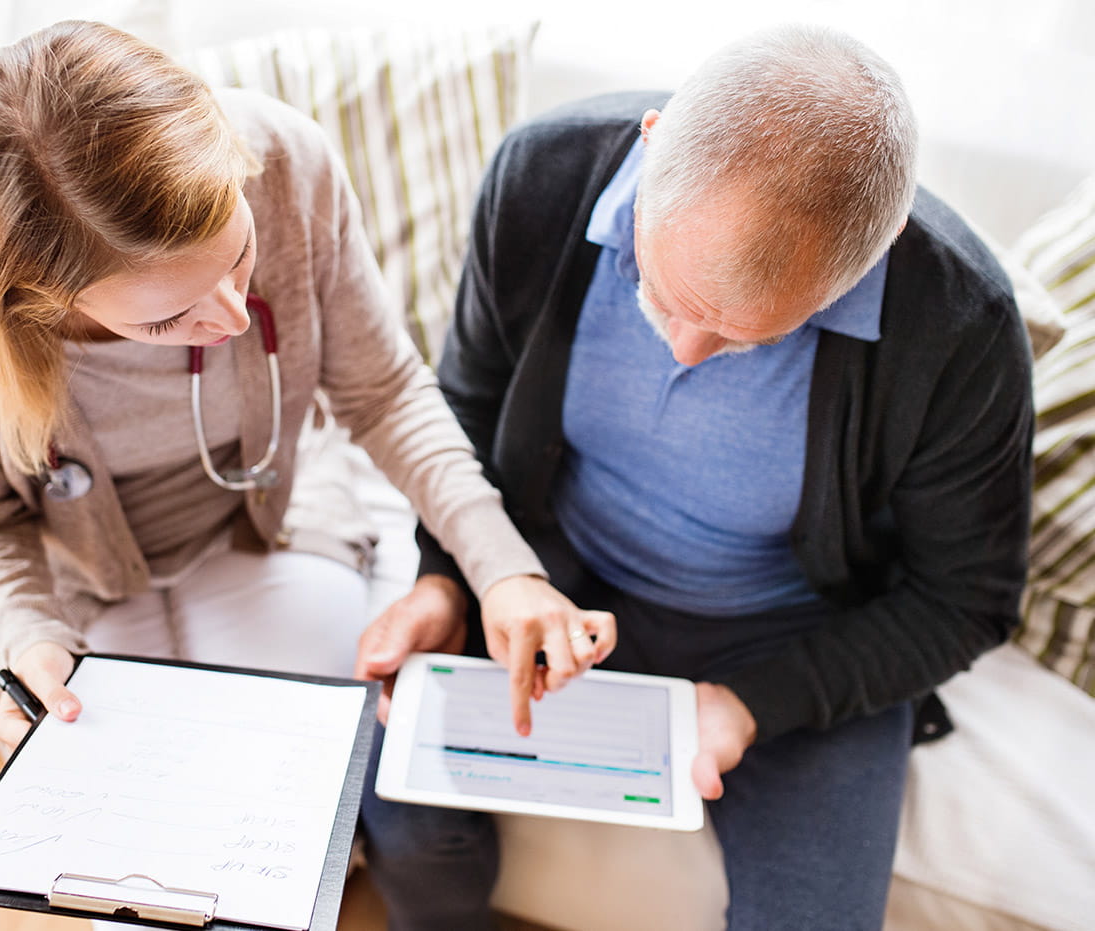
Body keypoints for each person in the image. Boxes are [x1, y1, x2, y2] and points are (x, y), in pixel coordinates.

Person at [0, 20, 615, 930]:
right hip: (74, 587)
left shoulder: (285, 160)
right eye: (168, 316)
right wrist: (29, 639)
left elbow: (384, 391)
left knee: (334, 800)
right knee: (145, 890)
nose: (229, 316)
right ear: (43, 301)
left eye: (238, 258)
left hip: (272, 524)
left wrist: (502, 566)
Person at [356, 23, 1034, 930]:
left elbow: (968, 599)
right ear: (651, 143)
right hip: (551, 580)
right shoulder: (539, 179)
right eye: (663, 292)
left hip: (799, 635)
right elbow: (468, 407)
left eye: (750, 334)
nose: (685, 349)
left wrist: (754, 704)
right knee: (400, 814)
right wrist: (451, 575)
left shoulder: (963, 324)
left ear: (870, 258)